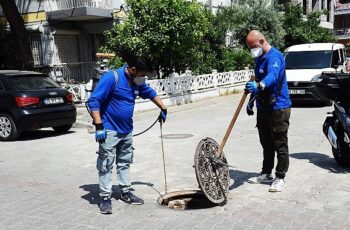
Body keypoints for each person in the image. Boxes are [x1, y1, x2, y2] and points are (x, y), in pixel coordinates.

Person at [87, 56, 167, 214]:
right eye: (143, 74)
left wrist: (163, 108)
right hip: (108, 129)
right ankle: (105, 198)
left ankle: (126, 192)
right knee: (106, 164)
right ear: (133, 70)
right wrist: (98, 126)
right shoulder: (112, 78)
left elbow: (150, 93)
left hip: (126, 130)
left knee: (124, 162)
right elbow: (94, 101)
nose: (144, 78)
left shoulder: (137, 82)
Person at [245, 30, 292, 192]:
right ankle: (266, 173)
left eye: (253, 46)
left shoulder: (274, 56)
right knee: (266, 143)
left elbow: (272, 76)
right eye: (250, 47)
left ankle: (280, 177)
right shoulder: (259, 58)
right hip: (263, 107)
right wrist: (251, 100)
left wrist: (259, 86)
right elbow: (257, 80)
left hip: (278, 108)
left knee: (280, 143)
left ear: (263, 41)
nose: (252, 50)